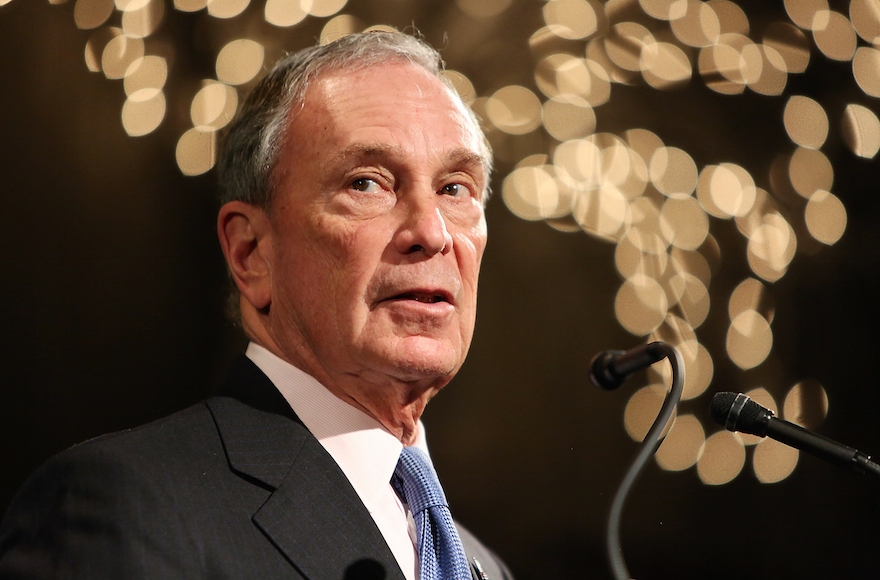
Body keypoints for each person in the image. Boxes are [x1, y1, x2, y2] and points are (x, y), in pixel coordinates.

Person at [0, 32, 511, 580]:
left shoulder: (480, 564)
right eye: (367, 184)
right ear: (251, 253)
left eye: (455, 189)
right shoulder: (122, 505)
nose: (431, 233)